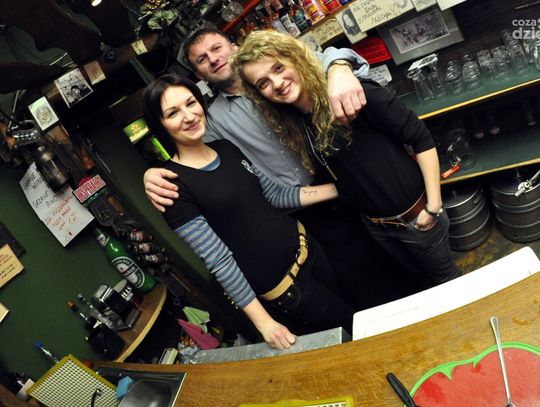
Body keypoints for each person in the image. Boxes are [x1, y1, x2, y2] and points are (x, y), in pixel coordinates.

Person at [144, 29, 419, 308]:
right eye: (202, 59)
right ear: (199, 75)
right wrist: (152, 173)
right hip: (304, 213)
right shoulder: (212, 121)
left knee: (404, 262)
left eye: (217, 48)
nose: (213, 59)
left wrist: (338, 68)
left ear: (235, 47)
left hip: (350, 181)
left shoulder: (277, 77)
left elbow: (325, 56)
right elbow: (197, 158)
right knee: (364, 290)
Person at [232, 30, 462, 287]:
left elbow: (420, 137)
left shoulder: (350, 93)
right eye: (263, 83)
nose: (276, 83)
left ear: (295, 58)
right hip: (378, 227)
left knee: (449, 283)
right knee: (421, 284)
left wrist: (432, 207)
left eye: (278, 67)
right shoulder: (299, 121)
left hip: (416, 219)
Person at [143, 74, 355, 349]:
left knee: (358, 312)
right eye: (173, 113)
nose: (188, 116)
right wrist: (264, 323)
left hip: (311, 250)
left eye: (191, 103)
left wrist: (342, 188)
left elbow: (274, 195)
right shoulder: (171, 185)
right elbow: (218, 260)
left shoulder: (226, 148)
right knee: (351, 333)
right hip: (288, 289)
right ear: (160, 124)